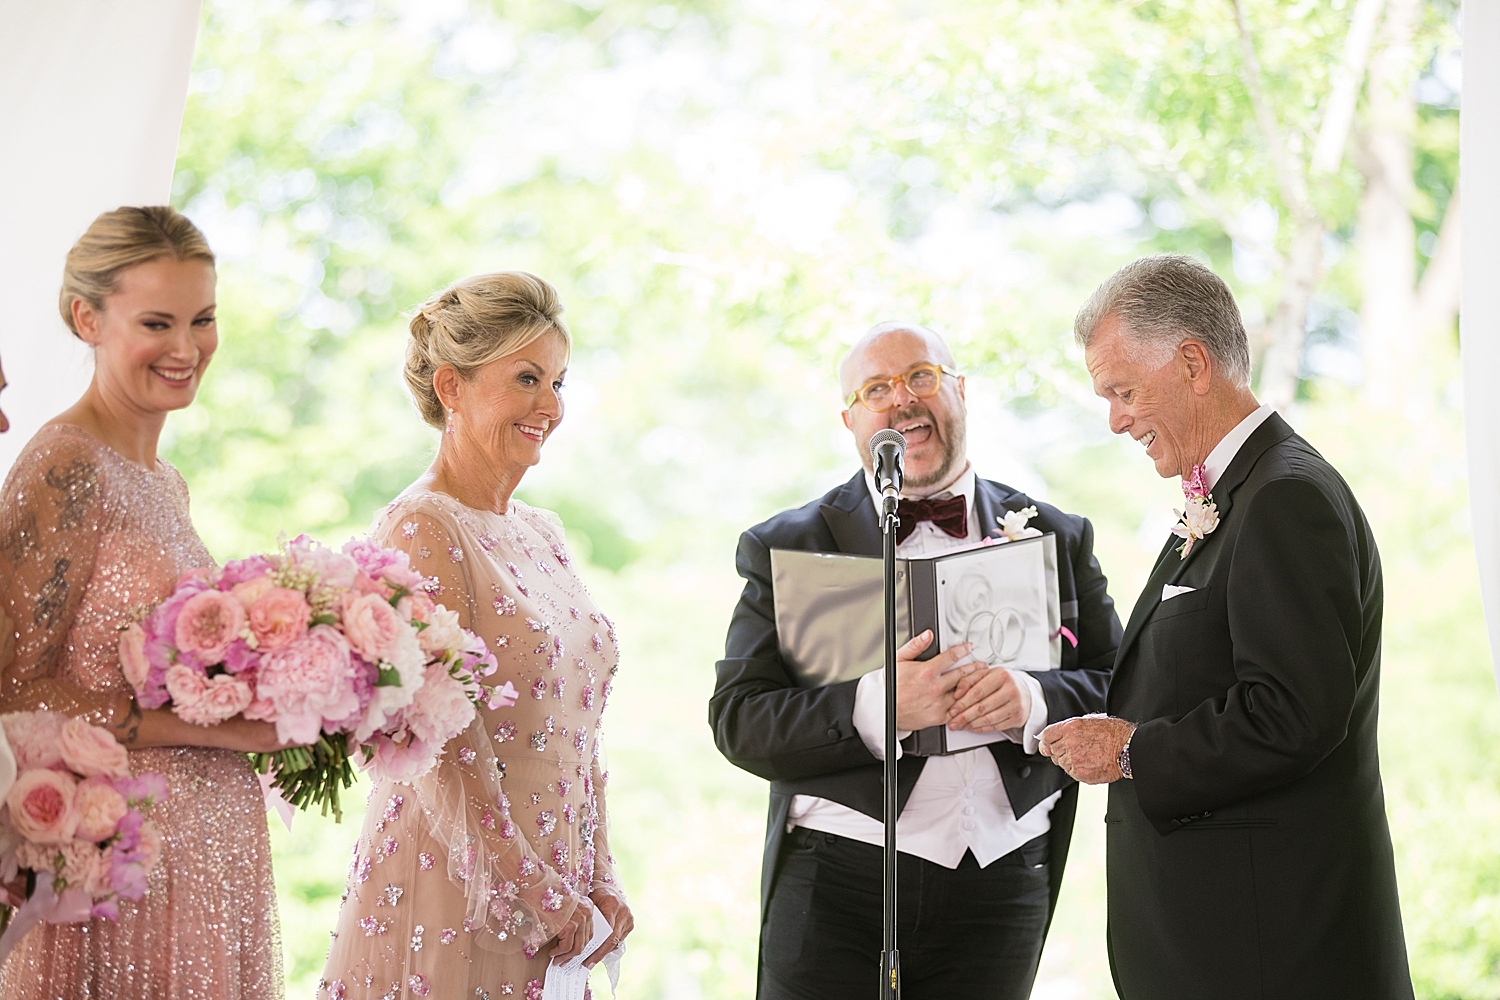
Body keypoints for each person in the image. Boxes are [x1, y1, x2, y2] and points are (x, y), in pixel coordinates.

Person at [709, 321, 1123, 999]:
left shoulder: (1059, 536)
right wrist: (878, 706)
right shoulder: (786, 545)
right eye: (877, 388)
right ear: (850, 420)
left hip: (1004, 882)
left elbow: (1126, 687)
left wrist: (1033, 702)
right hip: (836, 885)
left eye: (921, 377)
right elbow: (740, 720)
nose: (902, 400)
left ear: (960, 391)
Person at [1041, 254, 1412, 999]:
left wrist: (1134, 751)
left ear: (1191, 363)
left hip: (1273, 953)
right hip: (1219, 949)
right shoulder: (1236, 496)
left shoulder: (1285, 499)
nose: (1114, 419)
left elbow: (1295, 715)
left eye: (1122, 391)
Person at [0, 206, 290, 997]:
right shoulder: (67, 464)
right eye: (156, 322)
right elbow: (13, 689)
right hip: (125, 875)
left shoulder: (166, 482)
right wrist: (227, 730)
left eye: (203, 319)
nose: (186, 348)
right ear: (86, 318)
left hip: (208, 867)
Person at [321, 272, 632, 1000]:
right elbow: (438, 752)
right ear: (452, 387)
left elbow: (578, 730)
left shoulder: (543, 532)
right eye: (527, 379)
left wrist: (601, 875)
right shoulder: (421, 528)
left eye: (558, 381)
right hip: (454, 896)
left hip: (563, 899)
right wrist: (541, 895)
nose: (550, 406)